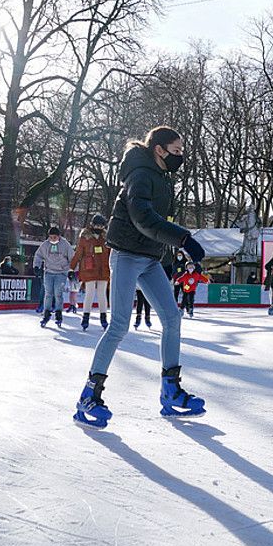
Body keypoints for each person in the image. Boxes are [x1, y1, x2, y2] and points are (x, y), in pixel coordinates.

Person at [74, 126, 207, 429]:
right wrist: (184, 239)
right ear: (159, 149)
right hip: (126, 255)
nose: (180, 156)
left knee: (172, 318)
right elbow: (143, 219)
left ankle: (170, 391)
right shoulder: (140, 175)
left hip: (150, 258)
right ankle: (89, 394)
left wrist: (176, 259)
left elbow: (163, 224)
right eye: (176, 151)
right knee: (119, 324)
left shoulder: (163, 180)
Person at [71, 214, 112, 331]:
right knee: (89, 294)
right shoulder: (85, 237)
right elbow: (79, 253)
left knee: (102, 294)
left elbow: (111, 255)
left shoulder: (106, 238)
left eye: (101, 225)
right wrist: (71, 268)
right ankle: (85, 317)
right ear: (92, 224)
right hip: (89, 269)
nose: (98, 227)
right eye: (96, 225)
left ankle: (103, 317)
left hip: (103, 270)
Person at [33, 226, 74, 327]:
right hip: (48, 273)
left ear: (59, 236)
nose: (52, 239)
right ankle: (46, 314)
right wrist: (36, 266)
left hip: (61, 273)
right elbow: (38, 255)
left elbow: (72, 258)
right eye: (51, 237)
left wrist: (72, 270)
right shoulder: (45, 245)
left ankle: (59, 314)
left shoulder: (65, 245)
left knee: (58, 293)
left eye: (54, 237)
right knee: (48, 293)